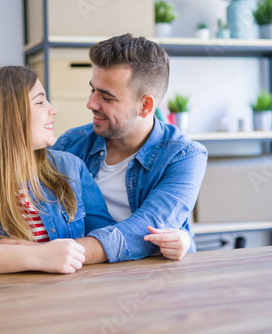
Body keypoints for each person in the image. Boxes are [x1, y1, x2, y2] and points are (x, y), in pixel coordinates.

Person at [0, 66, 189, 275]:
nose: (53, 110)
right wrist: (38, 255)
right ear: (5, 116)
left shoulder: (70, 168)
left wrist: (177, 241)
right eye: (40, 103)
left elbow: (109, 240)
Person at [52, 34, 208, 264]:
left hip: (155, 279)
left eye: (106, 97)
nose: (91, 103)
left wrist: (59, 253)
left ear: (145, 106)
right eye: (93, 90)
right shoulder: (70, 144)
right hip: (84, 277)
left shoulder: (184, 156)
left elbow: (143, 232)